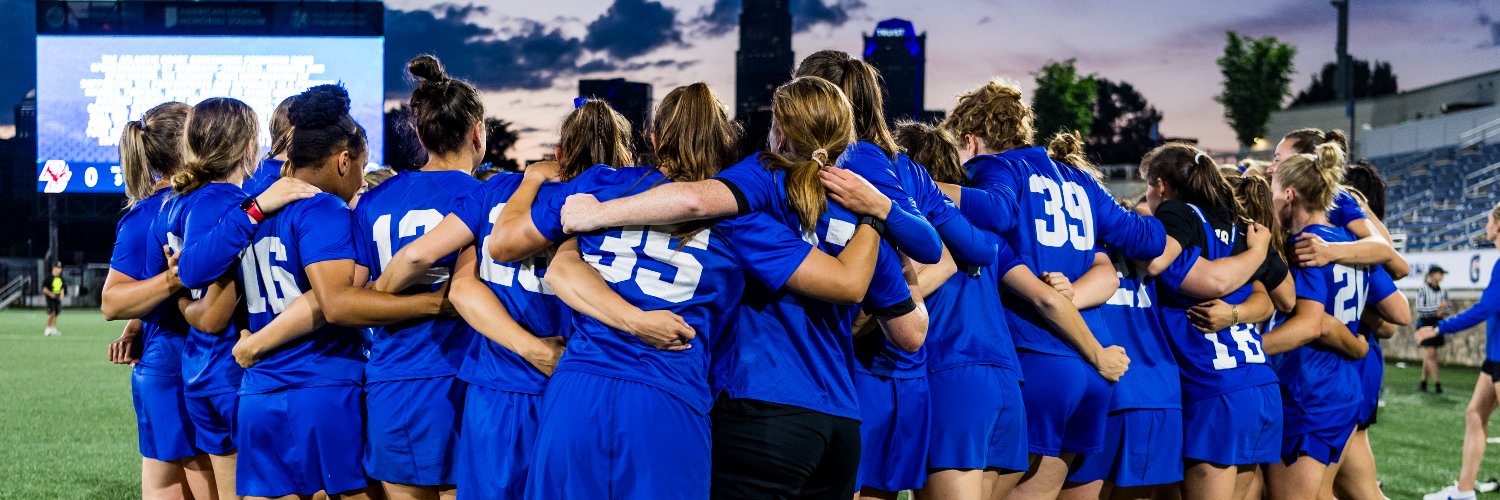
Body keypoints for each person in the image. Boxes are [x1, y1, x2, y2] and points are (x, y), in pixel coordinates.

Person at [938, 79, 1159, 499]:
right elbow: (1146, 240)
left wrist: (920, 186)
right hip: (1093, 366)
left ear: (970, 140)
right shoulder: (1082, 180)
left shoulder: (996, 166)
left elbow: (993, 210)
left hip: (1037, 356)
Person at [229, 84, 448, 500]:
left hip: (259, 393)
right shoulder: (323, 208)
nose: (361, 181)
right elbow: (334, 302)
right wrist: (433, 303)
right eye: (362, 168)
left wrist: (254, 343)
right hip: (321, 383)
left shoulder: (257, 205)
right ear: (343, 161)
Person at [157, 97, 318, 500]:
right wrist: (256, 208)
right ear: (249, 147)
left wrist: (177, 300)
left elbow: (179, 279)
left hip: (197, 370)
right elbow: (212, 312)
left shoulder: (175, 203)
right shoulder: (229, 202)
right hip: (230, 370)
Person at [347, 55, 484, 500]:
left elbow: (356, 296)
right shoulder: (484, 197)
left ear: (420, 134)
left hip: (394, 377)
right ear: (477, 134)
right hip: (467, 373)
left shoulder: (374, 200)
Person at [1123, 144, 1283, 500]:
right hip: (1258, 382)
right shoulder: (1235, 232)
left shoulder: (1177, 236)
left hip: (1213, 390)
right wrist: (1254, 261)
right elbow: (1279, 296)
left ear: (1160, 186)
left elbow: (1161, 264)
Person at [1261, 142, 1410, 500]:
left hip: (1309, 387)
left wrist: (1249, 348)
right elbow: (1397, 312)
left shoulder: (1306, 246)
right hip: (1343, 387)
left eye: (1275, 190)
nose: (1271, 198)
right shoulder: (1349, 243)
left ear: (1291, 194)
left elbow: (1312, 323)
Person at [100, 101, 216, 500]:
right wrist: (173, 280)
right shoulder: (159, 213)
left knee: (163, 483)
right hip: (183, 368)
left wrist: (138, 323)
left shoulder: (195, 203)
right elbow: (112, 301)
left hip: (170, 367)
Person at [1417, 203, 1500, 500]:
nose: (1486, 225)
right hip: (1494, 359)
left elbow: (1485, 309)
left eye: (1490, 219)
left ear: (1499, 226)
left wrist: (1440, 328)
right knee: (1475, 413)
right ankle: (1464, 491)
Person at [1270, 128, 1409, 280]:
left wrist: (1329, 251)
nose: (1270, 168)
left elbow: (1393, 260)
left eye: (1278, 159)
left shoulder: (1336, 198)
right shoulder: (1277, 195)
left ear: (1302, 162)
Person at [1418, 266, 1452, 393]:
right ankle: (1437, 383)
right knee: (1431, 353)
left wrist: (1442, 310)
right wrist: (1437, 309)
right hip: (1426, 323)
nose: (1442, 276)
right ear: (1432, 275)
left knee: (1430, 354)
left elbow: (1448, 308)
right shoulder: (1423, 290)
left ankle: (1423, 381)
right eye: (1440, 273)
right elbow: (1420, 309)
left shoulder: (1444, 291)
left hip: (1438, 323)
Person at [42, 263, 63, 336]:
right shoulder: (48, 278)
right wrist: (51, 294)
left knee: (56, 313)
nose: (60, 269)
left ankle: (53, 328)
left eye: (60, 268)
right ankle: (48, 328)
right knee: (52, 313)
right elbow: (44, 289)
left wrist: (61, 294)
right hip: (50, 298)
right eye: (58, 268)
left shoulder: (60, 278)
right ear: (54, 268)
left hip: (57, 298)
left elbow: (62, 287)